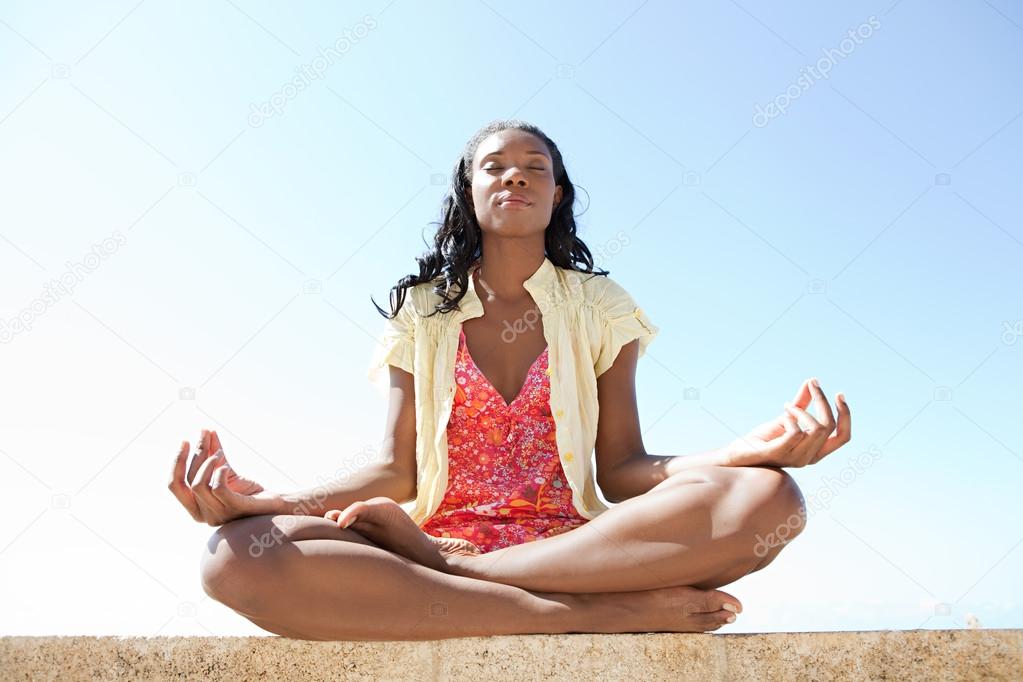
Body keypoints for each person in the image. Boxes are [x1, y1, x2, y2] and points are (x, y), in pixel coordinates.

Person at [168, 120, 852, 641]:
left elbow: (621, 469)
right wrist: (269, 502)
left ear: (557, 195)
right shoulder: (423, 311)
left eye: (534, 168)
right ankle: (588, 615)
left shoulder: (600, 305)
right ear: (470, 191)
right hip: (433, 535)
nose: (515, 177)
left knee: (768, 497)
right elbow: (395, 467)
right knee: (235, 558)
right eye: (494, 167)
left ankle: (475, 580)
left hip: (572, 550)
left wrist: (747, 452)